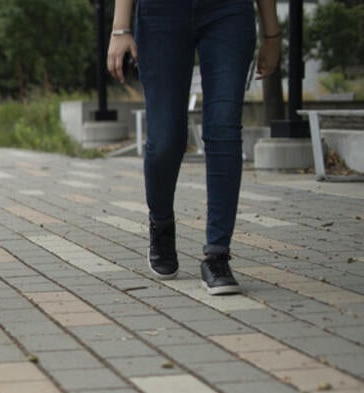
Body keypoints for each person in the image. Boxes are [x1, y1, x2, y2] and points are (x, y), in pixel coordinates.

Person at [108, 0, 280, 295]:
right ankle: (161, 223)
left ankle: (217, 255)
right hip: (161, 13)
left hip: (228, 12)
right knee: (165, 139)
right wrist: (120, 27)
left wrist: (272, 34)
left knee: (224, 128)